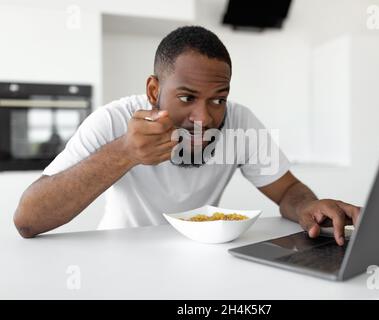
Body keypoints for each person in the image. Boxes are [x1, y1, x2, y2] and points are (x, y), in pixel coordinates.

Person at [13, 26, 360, 245]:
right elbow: (28, 221)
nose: (204, 117)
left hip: (202, 258)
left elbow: (287, 190)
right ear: (153, 90)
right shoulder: (114, 121)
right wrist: (125, 152)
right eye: (186, 98)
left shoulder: (239, 122)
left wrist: (308, 208)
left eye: (218, 99)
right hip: (120, 253)